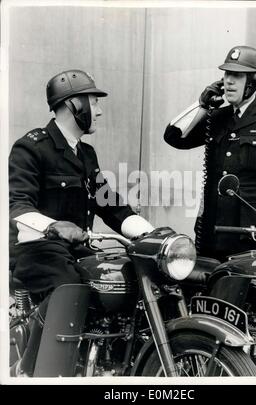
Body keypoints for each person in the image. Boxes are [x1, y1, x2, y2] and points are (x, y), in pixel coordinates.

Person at [9, 69, 154, 376]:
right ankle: (32, 370)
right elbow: (18, 206)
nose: (98, 111)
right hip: (38, 250)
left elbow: (109, 203)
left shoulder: (86, 154)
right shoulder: (32, 147)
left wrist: (153, 234)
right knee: (70, 286)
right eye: (93, 102)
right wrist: (54, 226)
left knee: (120, 278)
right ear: (74, 105)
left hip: (76, 249)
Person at [164, 45, 256, 261]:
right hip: (210, 233)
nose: (228, 81)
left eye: (236, 75)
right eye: (226, 74)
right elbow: (174, 137)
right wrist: (201, 105)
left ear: (253, 81)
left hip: (249, 235)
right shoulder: (216, 117)